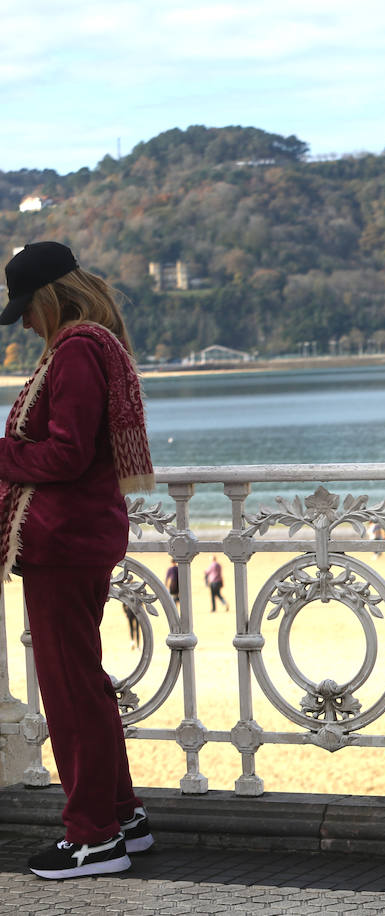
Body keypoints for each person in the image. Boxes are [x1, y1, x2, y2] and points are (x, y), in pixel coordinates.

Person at [0, 241, 156, 879]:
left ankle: (94, 837)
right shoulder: (94, 346)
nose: (26, 325)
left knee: (69, 692)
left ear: (48, 298)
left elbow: (65, 455)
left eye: (27, 311)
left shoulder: (75, 352)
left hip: (64, 544)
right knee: (84, 685)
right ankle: (122, 815)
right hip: (82, 539)